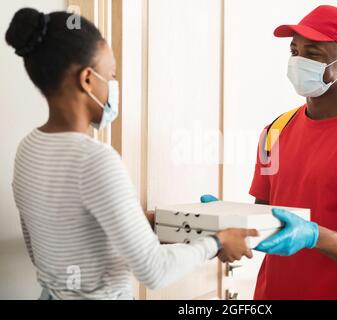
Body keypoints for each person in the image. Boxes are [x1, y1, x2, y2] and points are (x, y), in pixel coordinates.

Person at [6, 8, 257, 300]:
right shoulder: (95, 159)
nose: (114, 85)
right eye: (111, 75)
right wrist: (217, 242)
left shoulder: (28, 148)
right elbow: (155, 270)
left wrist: (136, 224)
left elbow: (48, 249)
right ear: (87, 80)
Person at [202, 5, 337, 300]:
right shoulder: (275, 131)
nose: (299, 61)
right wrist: (221, 222)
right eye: (295, 51)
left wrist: (313, 235)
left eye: (313, 53)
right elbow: (265, 216)